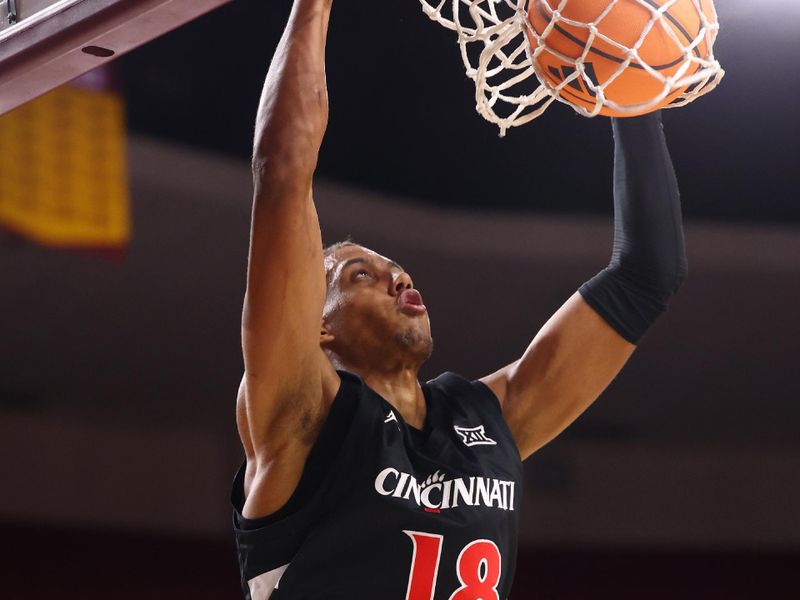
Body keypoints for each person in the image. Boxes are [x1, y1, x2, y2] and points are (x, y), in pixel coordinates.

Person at [231, 0, 687, 598]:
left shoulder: (485, 419)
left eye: (397, 270)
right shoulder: (303, 415)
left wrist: (633, 86)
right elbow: (284, 170)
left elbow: (646, 276)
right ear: (317, 328)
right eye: (360, 276)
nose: (397, 278)